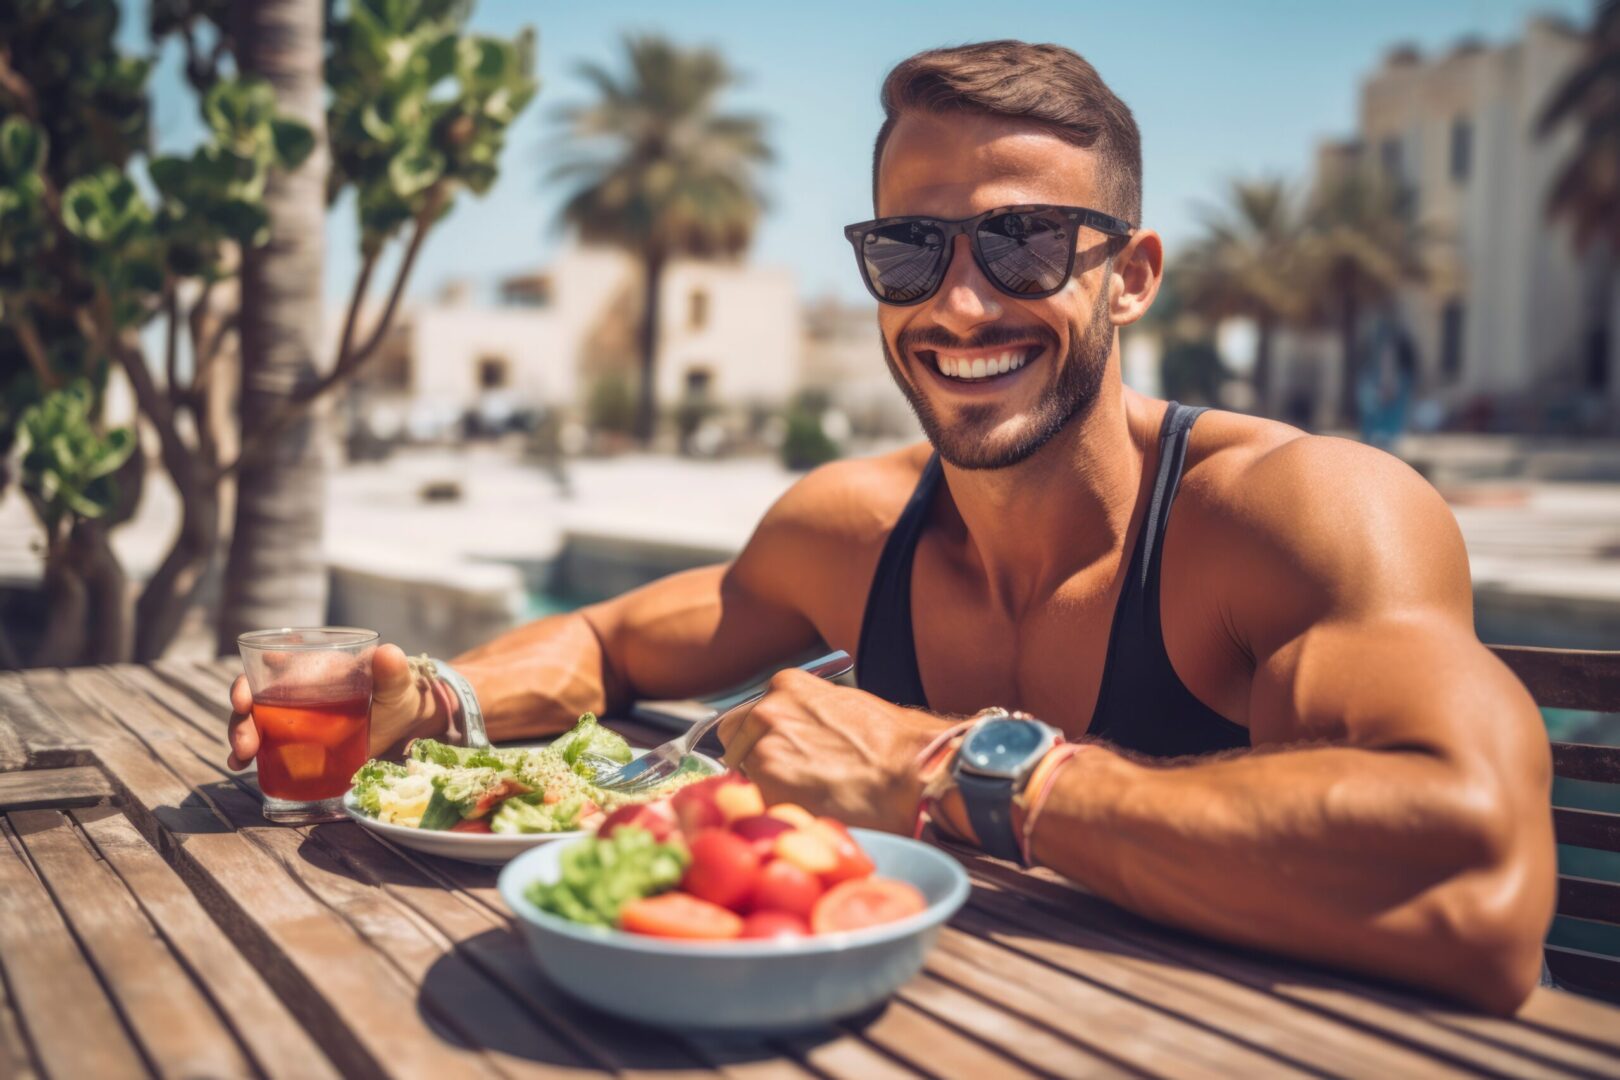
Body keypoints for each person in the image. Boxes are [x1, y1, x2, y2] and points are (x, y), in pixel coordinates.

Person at [226, 41, 1553, 1013]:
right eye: (912, 253)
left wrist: (969, 774)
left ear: (1132, 277)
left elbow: (1484, 887)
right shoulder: (848, 531)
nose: (963, 307)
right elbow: (610, 644)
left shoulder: (1294, 516)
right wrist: (433, 697)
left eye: (1025, 246)